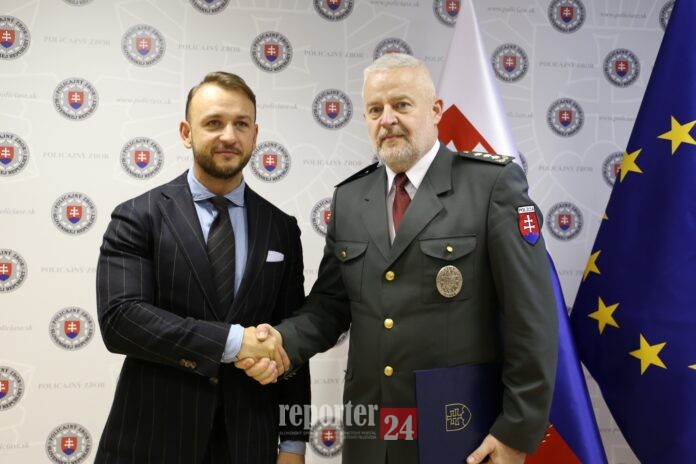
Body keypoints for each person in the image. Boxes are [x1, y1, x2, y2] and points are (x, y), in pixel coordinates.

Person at [238, 54, 558, 464]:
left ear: (435, 110)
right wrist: (281, 342)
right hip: (372, 437)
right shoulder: (351, 198)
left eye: (401, 105)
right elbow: (330, 306)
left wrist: (516, 432)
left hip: (459, 431)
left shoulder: (490, 185)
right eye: (375, 110)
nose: (387, 119)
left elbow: (532, 318)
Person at [95, 71, 310, 464]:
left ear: (255, 134)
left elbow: (292, 339)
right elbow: (121, 320)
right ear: (186, 132)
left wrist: (294, 443)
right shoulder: (138, 216)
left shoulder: (281, 228)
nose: (229, 136)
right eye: (213, 123)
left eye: (241, 124)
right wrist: (234, 342)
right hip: (151, 442)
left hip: (249, 444)